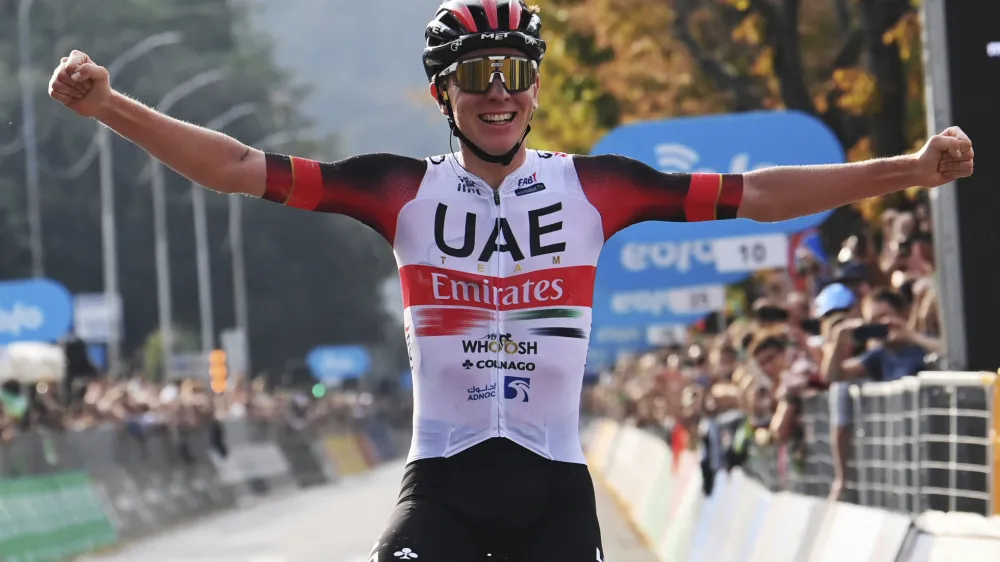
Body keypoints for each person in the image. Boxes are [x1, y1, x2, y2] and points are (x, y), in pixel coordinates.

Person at [48, 1, 974, 559]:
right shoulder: (398, 187)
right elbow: (238, 167)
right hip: (443, 483)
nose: (500, 92)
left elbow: (760, 192)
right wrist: (110, 106)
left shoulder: (597, 186)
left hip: (554, 489)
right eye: (477, 75)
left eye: (516, 73)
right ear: (446, 93)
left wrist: (904, 170)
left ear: (533, 86)